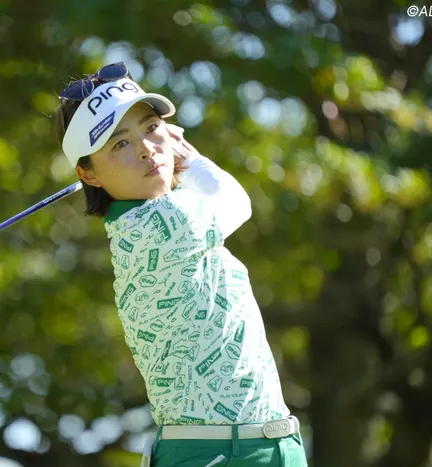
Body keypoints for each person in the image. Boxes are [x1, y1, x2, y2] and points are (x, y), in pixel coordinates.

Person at [55, 62, 308, 467]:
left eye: (151, 127)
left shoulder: (148, 221)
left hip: (259, 446)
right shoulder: (158, 225)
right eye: (119, 144)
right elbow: (235, 201)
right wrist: (188, 158)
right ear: (88, 174)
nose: (146, 148)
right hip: (221, 453)